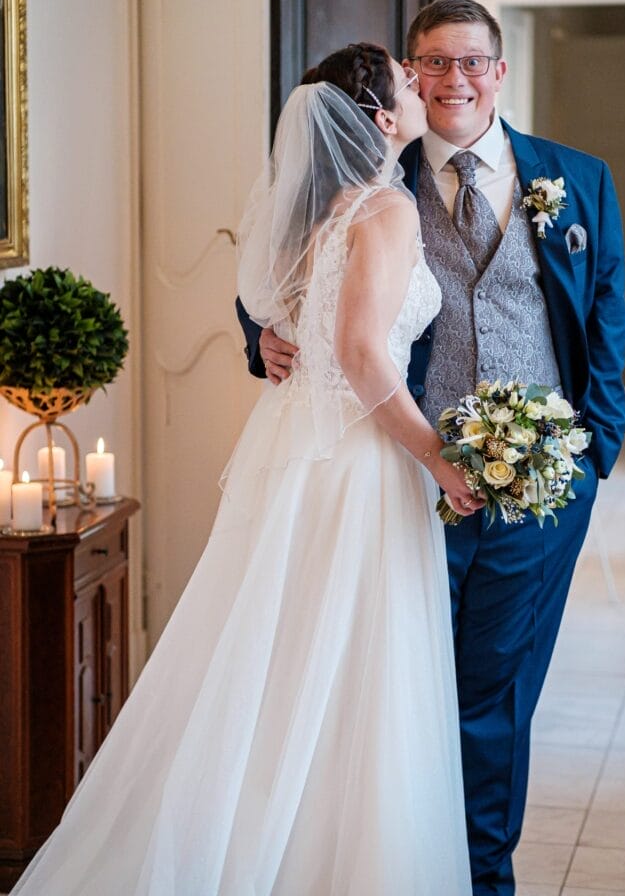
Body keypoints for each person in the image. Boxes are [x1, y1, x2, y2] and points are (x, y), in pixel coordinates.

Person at [11, 44, 477, 895]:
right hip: (357, 463)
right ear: (380, 121)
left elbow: (297, 324)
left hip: (299, 448)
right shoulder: (384, 210)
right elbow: (365, 357)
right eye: (407, 84)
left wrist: (273, 346)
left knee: (281, 655)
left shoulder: (321, 211)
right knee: (344, 666)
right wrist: (438, 459)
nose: (419, 88)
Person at [239, 0, 625, 895]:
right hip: (405, 479)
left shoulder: (578, 177)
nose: (453, 80)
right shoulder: (374, 173)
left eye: (470, 62)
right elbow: (290, 259)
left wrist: (592, 452)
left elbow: (603, 316)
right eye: (433, 65)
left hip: (540, 490)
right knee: (400, 691)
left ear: (498, 72)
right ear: (409, 77)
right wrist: (256, 332)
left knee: (496, 696)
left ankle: (480, 877)